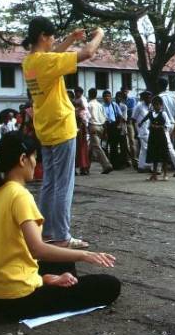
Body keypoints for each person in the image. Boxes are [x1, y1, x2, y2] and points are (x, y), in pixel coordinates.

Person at [0, 131, 121, 320]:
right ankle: (50, 283)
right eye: (34, 158)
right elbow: (37, 249)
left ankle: (48, 280)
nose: (36, 164)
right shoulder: (20, 196)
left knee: (64, 261)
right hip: (18, 300)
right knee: (110, 285)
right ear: (23, 159)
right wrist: (85, 255)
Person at [22, 16, 103, 249]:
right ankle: (62, 235)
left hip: (45, 128)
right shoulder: (47, 62)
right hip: (61, 126)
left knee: (50, 183)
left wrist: (70, 39)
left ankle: (48, 232)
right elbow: (87, 53)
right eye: (52, 37)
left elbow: (53, 55)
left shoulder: (29, 62)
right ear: (43, 36)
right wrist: (100, 34)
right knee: (63, 185)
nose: (53, 42)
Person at [155, 78, 175, 177]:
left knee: (167, 146)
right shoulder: (172, 98)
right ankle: (157, 168)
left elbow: (156, 113)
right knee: (161, 146)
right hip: (172, 124)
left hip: (163, 124)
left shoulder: (158, 98)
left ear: (159, 86)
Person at [139, 96, 171, 181]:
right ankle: (154, 175)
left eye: (158, 105)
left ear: (161, 105)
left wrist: (159, 127)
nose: (156, 106)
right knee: (154, 155)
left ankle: (165, 174)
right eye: (155, 105)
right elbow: (145, 120)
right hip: (153, 136)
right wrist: (144, 124)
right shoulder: (151, 114)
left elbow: (168, 125)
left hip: (161, 136)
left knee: (164, 155)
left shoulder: (163, 114)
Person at [87, 88, 114, 174]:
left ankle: (106, 165)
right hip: (101, 127)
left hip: (93, 126)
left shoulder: (89, 105)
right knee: (90, 148)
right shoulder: (100, 105)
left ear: (89, 94)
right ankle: (85, 167)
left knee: (97, 147)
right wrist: (105, 130)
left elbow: (87, 117)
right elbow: (105, 118)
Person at [101, 90, 123, 168]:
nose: (107, 98)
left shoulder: (114, 105)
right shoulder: (101, 106)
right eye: (105, 96)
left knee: (114, 146)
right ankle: (107, 164)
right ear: (103, 97)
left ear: (111, 97)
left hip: (114, 126)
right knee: (105, 146)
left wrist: (119, 125)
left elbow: (120, 116)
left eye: (108, 96)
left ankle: (115, 164)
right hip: (105, 126)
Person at [132, 91, 152, 173]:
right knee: (146, 148)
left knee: (144, 149)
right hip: (142, 130)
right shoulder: (139, 106)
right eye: (147, 97)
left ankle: (141, 166)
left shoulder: (150, 106)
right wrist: (135, 131)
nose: (149, 99)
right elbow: (133, 119)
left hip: (149, 130)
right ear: (144, 98)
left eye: (150, 97)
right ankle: (148, 166)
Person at [122, 87, 138, 166]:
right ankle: (127, 160)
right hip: (122, 123)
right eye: (123, 91)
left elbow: (131, 110)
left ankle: (134, 160)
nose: (124, 93)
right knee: (125, 142)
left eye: (125, 91)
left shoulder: (132, 100)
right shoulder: (120, 100)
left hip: (129, 122)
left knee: (132, 141)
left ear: (128, 91)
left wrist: (124, 109)